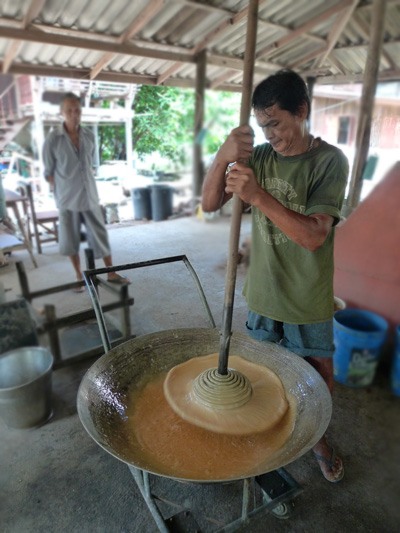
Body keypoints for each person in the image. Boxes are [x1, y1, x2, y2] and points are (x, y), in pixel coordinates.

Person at [202, 69, 348, 483]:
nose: (270, 135)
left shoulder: (328, 161)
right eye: (262, 126)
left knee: (318, 378)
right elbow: (210, 203)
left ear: (301, 111)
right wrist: (223, 154)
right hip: (264, 293)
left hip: (307, 296)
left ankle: (316, 438)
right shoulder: (259, 158)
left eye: (276, 124)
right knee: (263, 376)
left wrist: (258, 196)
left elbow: (315, 236)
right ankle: (269, 436)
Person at [43, 92, 130, 290]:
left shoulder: (89, 135)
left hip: (89, 195)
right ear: (62, 113)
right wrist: (61, 189)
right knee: (70, 238)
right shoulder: (53, 140)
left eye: (77, 111)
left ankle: (111, 272)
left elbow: (92, 165)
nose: (74, 114)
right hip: (67, 198)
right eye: (70, 111)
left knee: (99, 234)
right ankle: (77, 276)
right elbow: (48, 173)